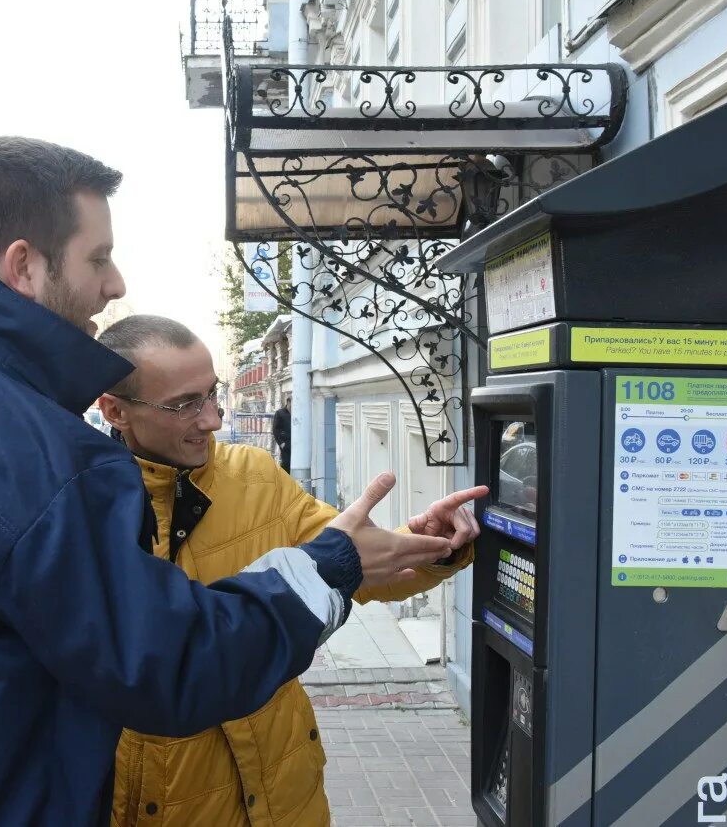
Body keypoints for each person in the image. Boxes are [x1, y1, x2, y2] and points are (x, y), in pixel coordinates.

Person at [0, 137, 455, 826]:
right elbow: (170, 664)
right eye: (98, 259)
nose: (115, 283)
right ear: (24, 265)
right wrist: (330, 566)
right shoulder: (37, 456)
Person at [97, 315, 487, 826]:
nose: (212, 419)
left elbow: (361, 570)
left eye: (211, 394)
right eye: (183, 404)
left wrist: (429, 546)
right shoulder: (83, 510)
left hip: (285, 795)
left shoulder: (255, 477)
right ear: (114, 410)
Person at [273, 396, 292, 472]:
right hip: (286, 443)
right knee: (286, 462)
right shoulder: (280, 413)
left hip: (296, 443)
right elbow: (275, 430)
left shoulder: (298, 412)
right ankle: (283, 479)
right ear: (288, 402)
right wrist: (281, 443)